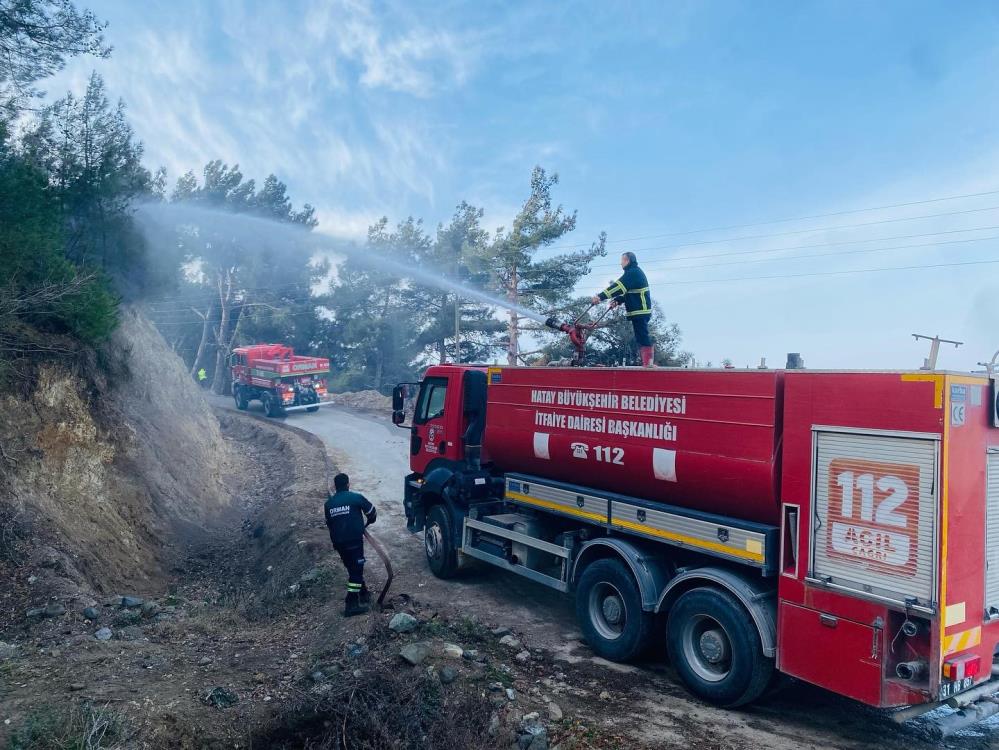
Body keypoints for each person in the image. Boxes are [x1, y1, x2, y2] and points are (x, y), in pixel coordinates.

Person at [323, 473, 377, 616]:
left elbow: (330, 524)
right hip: (354, 541)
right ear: (348, 484)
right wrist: (369, 521)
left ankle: (364, 593)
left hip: (339, 544)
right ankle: (351, 603)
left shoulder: (328, 504)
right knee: (356, 571)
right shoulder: (355, 497)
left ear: (335, 487)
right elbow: (372, 512)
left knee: (352, 568)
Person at [592, 251, 655, 367]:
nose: (620, 264)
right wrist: (618, 301)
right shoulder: (633, 273)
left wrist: (600, 297)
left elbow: (618, 287)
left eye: (622, 261)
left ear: (627, 261)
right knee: (640, 336)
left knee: (642, 335)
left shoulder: (633, 273)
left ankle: (649, 364)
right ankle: (647, 364)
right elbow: (628, 292)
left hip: (641, 310)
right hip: (639, 311)